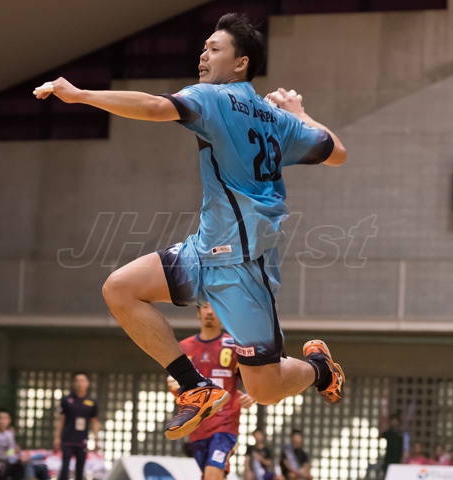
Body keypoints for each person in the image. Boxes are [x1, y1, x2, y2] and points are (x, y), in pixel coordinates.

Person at [34, 12, 347, 440]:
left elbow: (153, 107)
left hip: (243, 270)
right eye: (203, 48)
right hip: (202, 251)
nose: (203, 55)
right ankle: (194, 386)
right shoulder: (279, 120)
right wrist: (302, 114)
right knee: (120, 289)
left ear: (241, 63)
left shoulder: (214, 97)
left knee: (265, 389)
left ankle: (319, 369)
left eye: (214, 49)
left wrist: (81, 95)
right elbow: (337, 152)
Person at [167, 304, 255, 479]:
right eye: (205, 307)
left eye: (214, 307)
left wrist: (252, 395)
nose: (209, 311)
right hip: (197, 427)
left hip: (225, 425)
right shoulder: (184, 347)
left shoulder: (234, 345)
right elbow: (181, 392)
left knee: (212, 473)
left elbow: (254, 378)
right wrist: (174, 387)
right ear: (198, 313)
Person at [53, 373, 100, 480]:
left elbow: (94, 422)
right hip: (67, 439)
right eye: (77, 381)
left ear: (87, 383)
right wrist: (56, 438)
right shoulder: (66, 400)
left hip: (82, 439)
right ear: (73, 383)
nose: (80, 383)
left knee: (80, 469)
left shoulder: (91, 402)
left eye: (82, 381)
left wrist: (96, 440)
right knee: (65, 468)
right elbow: (60, 420)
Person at [0, 409, 23, 480]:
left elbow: (10, 451)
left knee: (19, 465)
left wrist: (16, 458)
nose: (2, 421)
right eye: (0, 418)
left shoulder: (9, 435)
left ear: (9, 421)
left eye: (5, 418)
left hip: (4, 462)